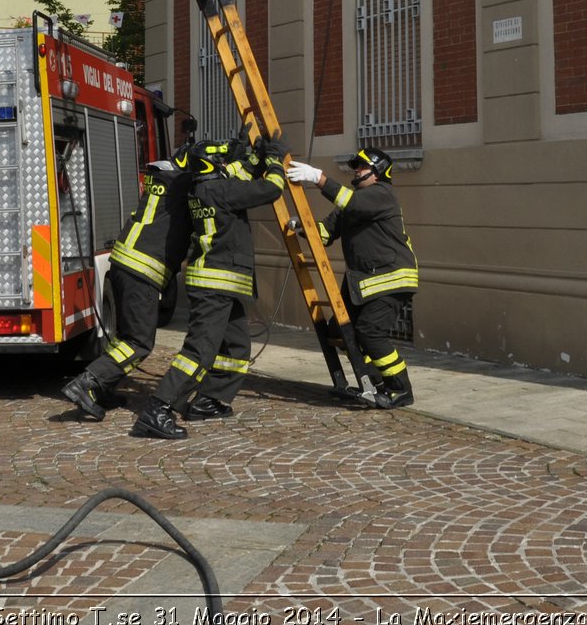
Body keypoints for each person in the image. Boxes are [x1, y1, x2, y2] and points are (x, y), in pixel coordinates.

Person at [130, 134, 288, 440]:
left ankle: (209, 400)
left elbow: (237, 174)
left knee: (237, 348)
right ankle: (157, 409)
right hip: (216, 285)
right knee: (200, 351)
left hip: (224, 284)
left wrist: (254, 156)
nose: (227, 164)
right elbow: (270, 189)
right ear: (214, 165)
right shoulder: (221, 189)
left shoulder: (205, 187)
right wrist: (273, 160)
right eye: (223, 160)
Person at [61, 149, 194, 421]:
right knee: (139, 342)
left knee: (123, 337)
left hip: (123, 264)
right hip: (142, 270)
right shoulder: (184, 184)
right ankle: (88, 382)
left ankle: (103, 388)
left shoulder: (164, 181)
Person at [287, 148, 419, 408]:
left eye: (361, 166)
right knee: (339, 331)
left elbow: (351, 202)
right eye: (355, 166)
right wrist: (302, 226)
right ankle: (375, 382)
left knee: (370, 331)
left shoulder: (382, 194)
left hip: (390, 277)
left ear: (377, 172)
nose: (355, 171)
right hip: (364, 280)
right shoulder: (352, 204)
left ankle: (401, 389)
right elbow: (325, 233)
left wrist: (318, 178)